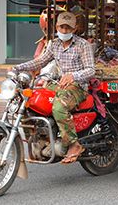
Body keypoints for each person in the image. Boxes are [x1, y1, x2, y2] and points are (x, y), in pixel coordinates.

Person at [11, 12, 95, 164]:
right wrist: (17, 68)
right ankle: (36, 139)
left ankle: (74, 144)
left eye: (68, 28)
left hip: (77, 87)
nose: (64, 31)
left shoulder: (83, 45)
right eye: (62, 27)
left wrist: (73, 76)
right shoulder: (54, 44)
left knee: (58, 108)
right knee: (29, 100)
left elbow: (90, 70)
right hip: (58, 84)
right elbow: (40, 61)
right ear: (56, 27)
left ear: (74, 29)